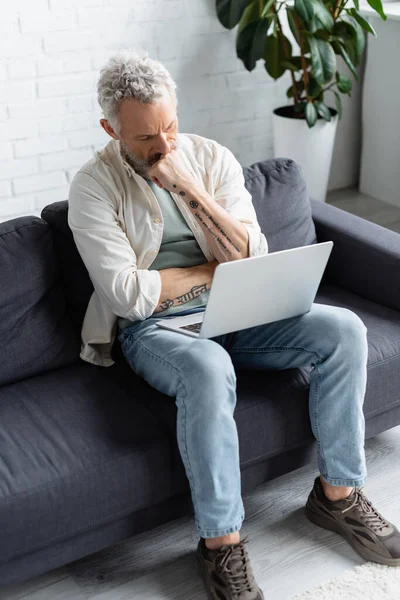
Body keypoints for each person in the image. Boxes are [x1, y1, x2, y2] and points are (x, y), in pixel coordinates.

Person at [68, 51, 400, 600]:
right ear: (111, 129)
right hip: (157, 331)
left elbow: (252, 253)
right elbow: (129, 295)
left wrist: (186, 190)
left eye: (170, 124)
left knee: (345, 330)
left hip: (240, 309)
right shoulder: (93, 187)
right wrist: (210, 269)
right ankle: (221, 545)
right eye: (146, 137)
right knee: (207, 366)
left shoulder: (208, 158)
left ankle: (337, 496)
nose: (164, 144)